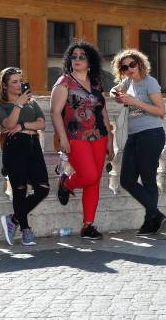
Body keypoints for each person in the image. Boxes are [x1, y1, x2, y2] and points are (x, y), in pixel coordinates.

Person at [51, 42, 114, 240]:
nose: (77, 59)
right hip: (76, 137)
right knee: (88, 175)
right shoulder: (64, 82)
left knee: (94, 181)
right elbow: (54, 112)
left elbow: (103, 111)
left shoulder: (96, 83)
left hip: (99, 136)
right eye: (74, 56)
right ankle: (67, 185)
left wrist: (110, 139)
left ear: (90, 62)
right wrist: (62, 138)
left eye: (82, 57)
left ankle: (88, 226)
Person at [110, 49, 166, 235]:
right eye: (124, 67)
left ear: (140, 64)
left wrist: (135, 101)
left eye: (132, 64)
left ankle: (151, 220)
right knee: (126, 179)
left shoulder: (149, 82)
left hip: (151, 134)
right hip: (134, 135)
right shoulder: (127, 82)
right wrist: (116, 95)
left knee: (149, 178)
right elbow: (115, 91)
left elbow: (161, 111)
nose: (129, 69)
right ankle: (155, 215)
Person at [0, 67, 49, 246]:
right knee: (20, 189)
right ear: (5, 86)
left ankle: (13, 219)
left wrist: (23, 125)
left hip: (33, 146)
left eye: (20, 80)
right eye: (14, 82)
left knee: (43, 188)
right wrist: (18, 105)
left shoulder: (32, 102)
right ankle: (25, 229)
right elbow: (8, 123)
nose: (19, 85)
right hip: (15, 147)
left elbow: (42, 124)